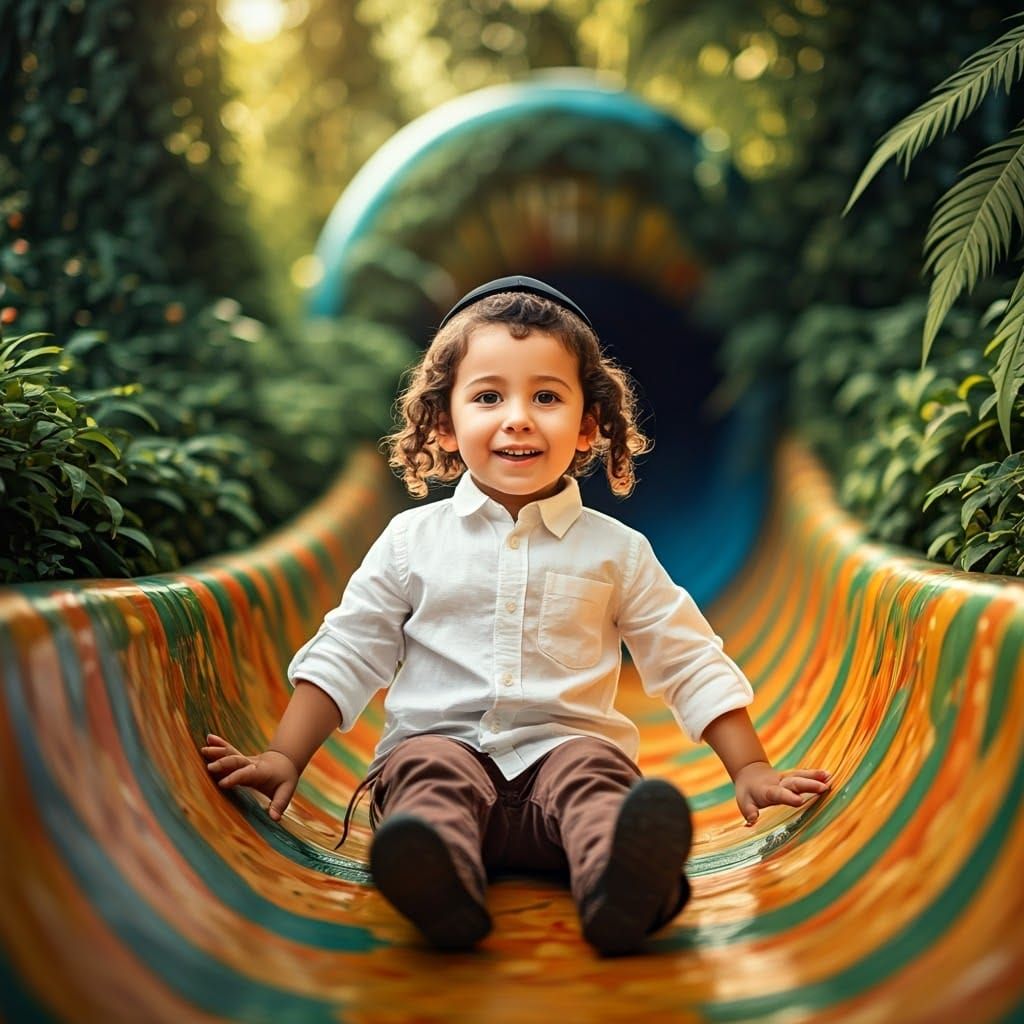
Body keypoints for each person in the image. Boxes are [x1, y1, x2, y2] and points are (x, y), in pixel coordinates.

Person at [202, 276, 831, 956]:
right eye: (488, 397)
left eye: (547, 397)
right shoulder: (411, 542)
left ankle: (621, 885)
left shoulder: (615, 551)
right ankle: (438, 882)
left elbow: (685, 656)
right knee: (425, 773)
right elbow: (350, 650)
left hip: (564, 762)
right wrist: (284, 756)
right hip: (442, 751)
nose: (519, 418)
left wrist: (749, 768)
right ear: (445, 423)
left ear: (588, 424)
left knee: (597, 778)